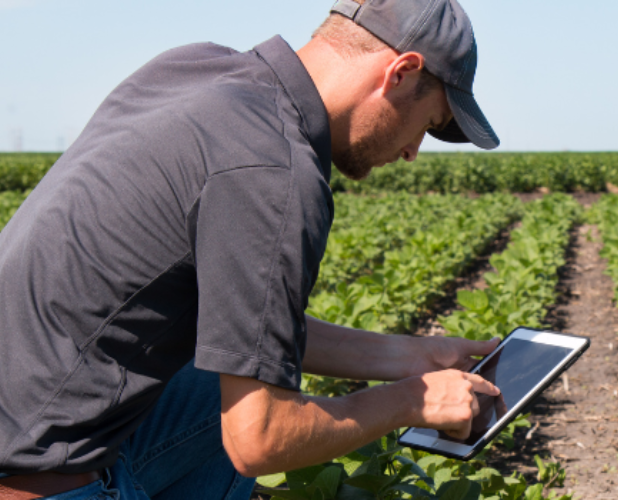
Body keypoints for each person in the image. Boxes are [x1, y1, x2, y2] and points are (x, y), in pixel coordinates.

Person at [0, 0, 503, 498]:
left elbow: (248, 333)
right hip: (40, 479)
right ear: (400, 73)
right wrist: (413, 401)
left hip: (24, 426)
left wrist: (414, 357)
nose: (414, 152)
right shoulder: (277, 172)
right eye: (430, 122)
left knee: (220, 377)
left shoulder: (192, 68)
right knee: (255, 414)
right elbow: (260, 440)